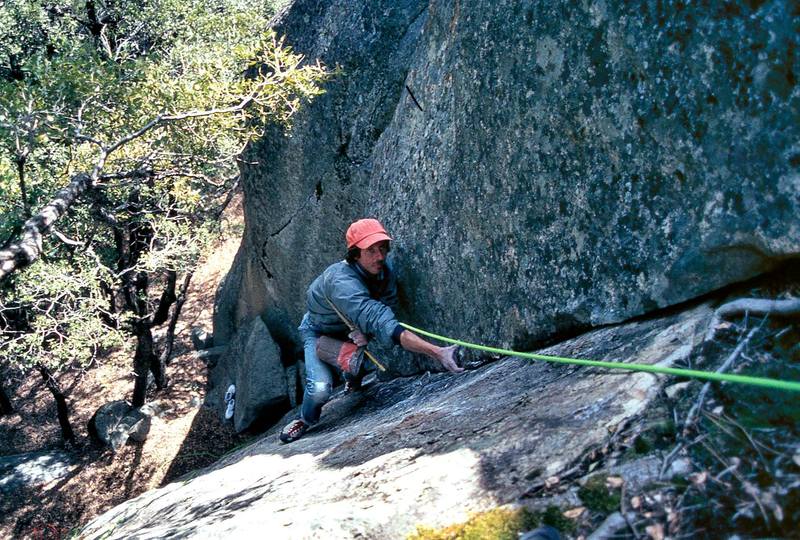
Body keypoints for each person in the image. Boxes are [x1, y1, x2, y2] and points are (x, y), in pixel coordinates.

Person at [279, 218, 464, 443]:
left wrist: (366, 333)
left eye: (382, 248)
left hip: (350, 328)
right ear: (355, 254)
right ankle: (305, 419)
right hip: (317, 332)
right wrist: (437, 352)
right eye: (371, 251)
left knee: (361, 356)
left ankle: (352, 378)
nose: (380, 256)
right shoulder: (341, 283)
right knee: (319, 388)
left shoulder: (384, 272)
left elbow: (388, 306)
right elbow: (382, 321)